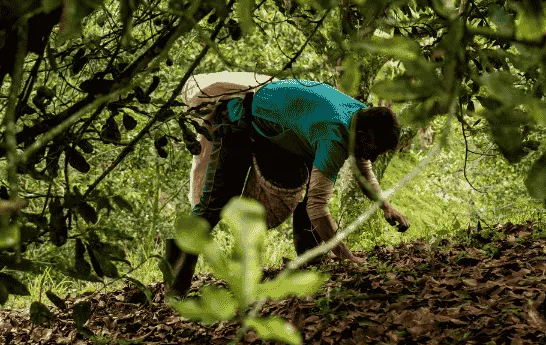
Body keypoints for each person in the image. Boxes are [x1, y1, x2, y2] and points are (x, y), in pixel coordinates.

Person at [164, 74, 410, 296]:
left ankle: (311, 262)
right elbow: (318, 207)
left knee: (312, 185)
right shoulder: (334, 135)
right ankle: (175, 284)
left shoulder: (360, 115)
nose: (372, 157)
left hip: (278, 129)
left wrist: (385, 205)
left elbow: (362, 166)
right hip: (238, 120)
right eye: (374, 150)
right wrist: (348, 258)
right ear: (365, 135)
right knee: (215, 204)